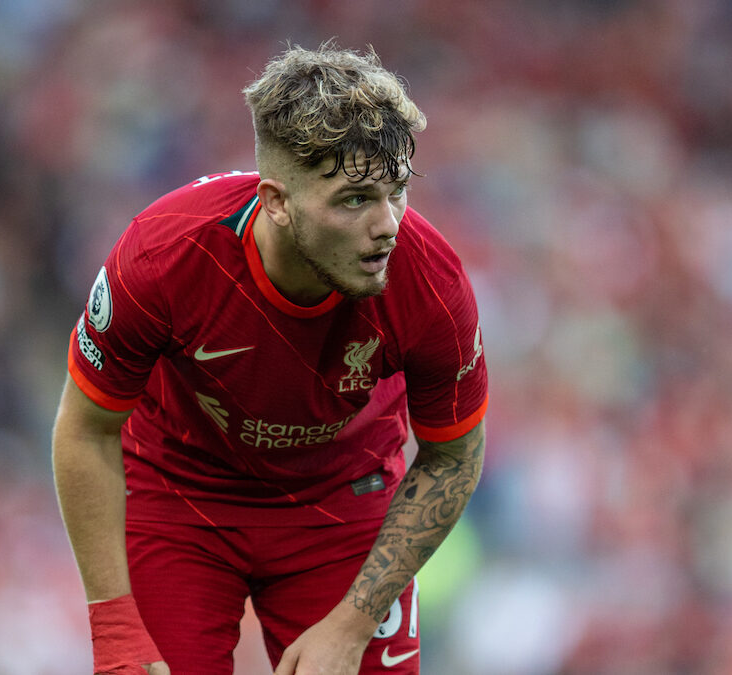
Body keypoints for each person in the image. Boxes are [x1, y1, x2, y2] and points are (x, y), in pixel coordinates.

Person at [52, 42, 488, 675]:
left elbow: (454, 455)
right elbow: (85, 427)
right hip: (181, 498)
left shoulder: (431, 284)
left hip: (341, 504)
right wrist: (113, 625)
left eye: (398, 190)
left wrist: (354, 621)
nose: (388, 223)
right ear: (277, 202)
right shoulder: (163, 257)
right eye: (355, 198)